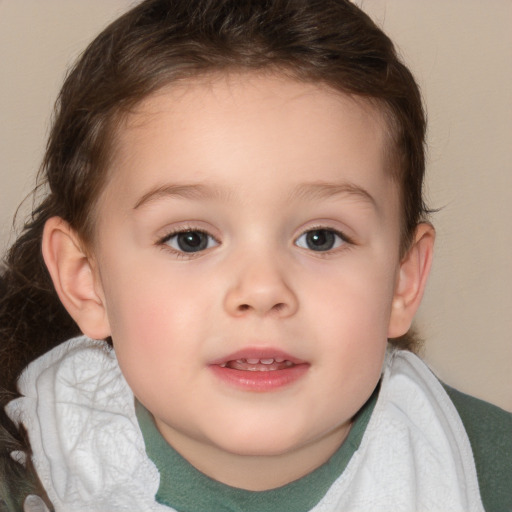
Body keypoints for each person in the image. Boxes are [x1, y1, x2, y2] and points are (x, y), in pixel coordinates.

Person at [0, 0, 510, 511]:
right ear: (86, 279)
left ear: (403, 278)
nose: (263, 290)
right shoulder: (25, 477)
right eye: (191, 239)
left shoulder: (492, 472)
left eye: (321, 238)